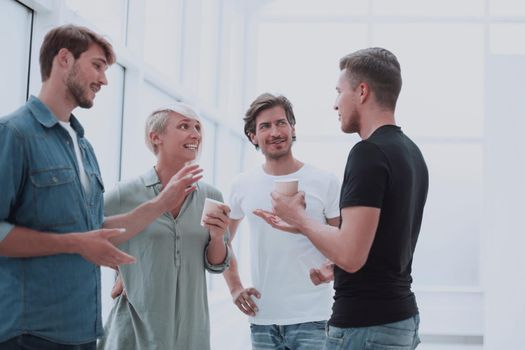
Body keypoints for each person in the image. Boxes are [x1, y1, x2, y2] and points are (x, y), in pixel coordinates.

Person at [0, 25, 198, 349]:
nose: (104, 80)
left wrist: (162, 202)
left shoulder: (84, 146)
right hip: (29, 333)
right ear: (64, 59)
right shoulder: (14, 134)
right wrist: (75, 244)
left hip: (84, 332)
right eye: (97, 65)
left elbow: (93, 230)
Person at [270, 48, 429, 350]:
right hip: (399, 320)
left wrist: (300, 218)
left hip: (366, 327)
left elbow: (352, 255)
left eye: (339, 92)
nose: (334, 104)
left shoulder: (368, 153)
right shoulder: (411, 153)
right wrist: (330, 263)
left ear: (362, 91)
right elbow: (378, 243)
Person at [98, 104, 232, 350]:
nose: (196, 135)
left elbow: (217, 264)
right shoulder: (124, 195)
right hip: (136, 332)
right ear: (155, 137)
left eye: (198, 128)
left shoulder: (211, 196)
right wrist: (121, 270)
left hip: (191, 332)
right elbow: (84, 236)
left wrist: (217, 236)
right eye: (184, 126)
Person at [224, 93, 341, 349]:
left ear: (293, 128)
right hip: (262, 317)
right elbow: (223, 240)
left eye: (281, 123)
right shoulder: (242, 185)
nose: (275, 131)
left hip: (315, 318)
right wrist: (234, 287)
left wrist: (330, 268)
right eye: (265, 126)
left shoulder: (325, 181)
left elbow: (342, 242)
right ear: (253, 136)